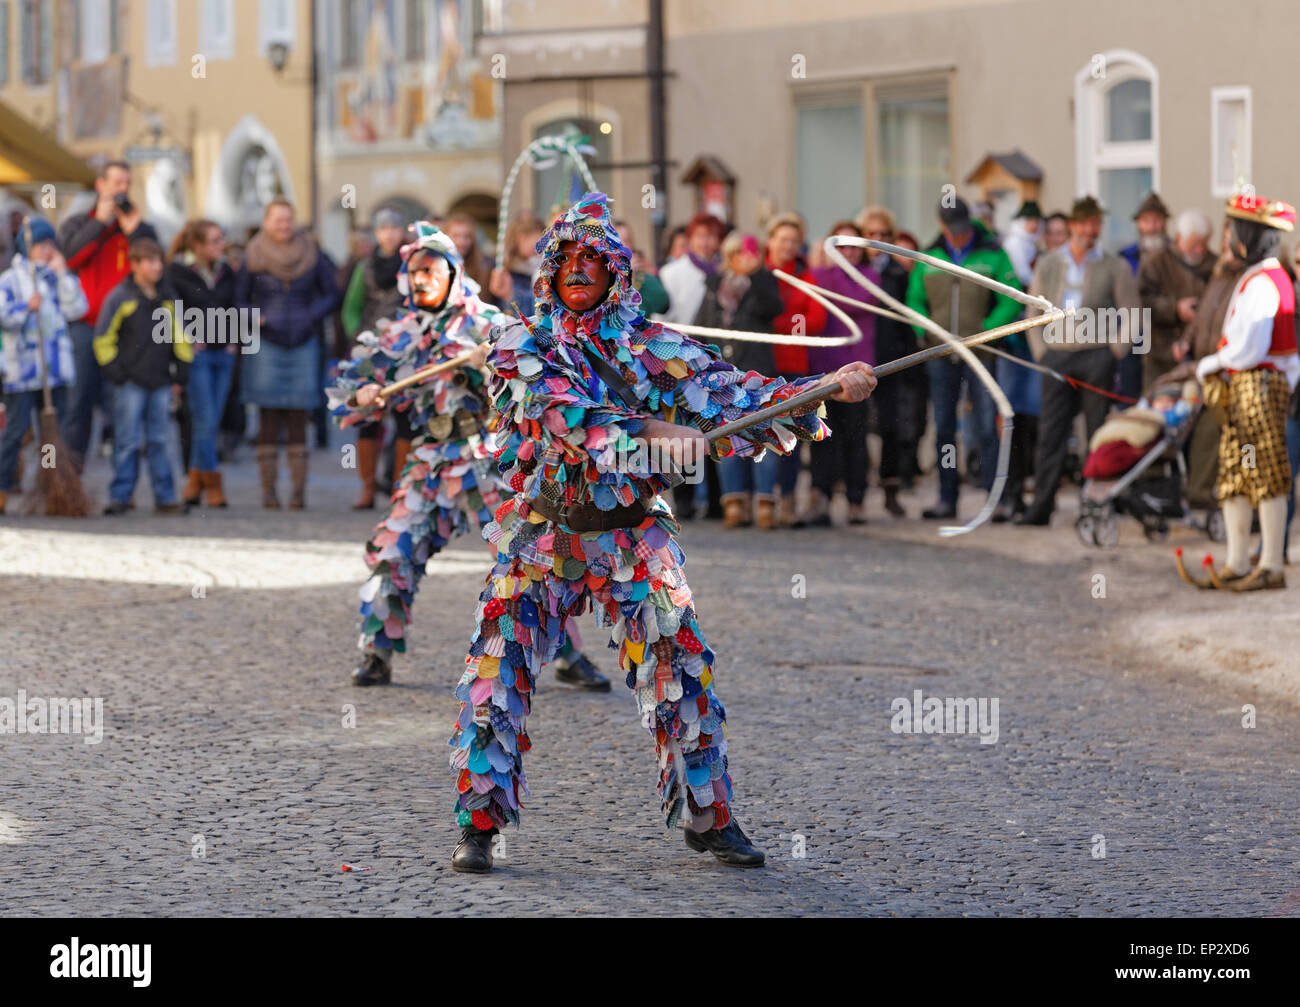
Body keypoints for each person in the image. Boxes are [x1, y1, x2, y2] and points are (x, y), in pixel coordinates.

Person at [446, 193, 877, 873]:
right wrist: (653, 432)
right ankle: (480, 823)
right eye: (568, 259)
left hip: (635, 533)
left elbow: (737, 396)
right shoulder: (522, 345)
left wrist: (825, 386)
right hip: (545, 529)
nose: (580, 269)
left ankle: (709, 816)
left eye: (594, 258)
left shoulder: (657, 347)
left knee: (683, 666)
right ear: (550, 273)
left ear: (617, 272)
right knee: (496, 668)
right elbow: (569, 418)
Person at [328, 222, 611, 690]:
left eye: (431, 270)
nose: (421, 279)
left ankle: (569, 655)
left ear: (453, 273)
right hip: (431, 460)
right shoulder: (398, 332)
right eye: (414, 271)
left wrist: (496, 363)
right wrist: (362, 395)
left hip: (487, 459)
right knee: (392, 551)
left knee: (526, 555)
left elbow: (536, 379)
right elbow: (344, 391)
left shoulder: (487, 324)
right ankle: (376, 652)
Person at [1186, 194, 1299, 591]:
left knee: (1265, 472)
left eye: (1236, 229)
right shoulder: (1262, 276)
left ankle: (1270, 564)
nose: (1230, 237)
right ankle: (1236, 560)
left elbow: (1251, 345)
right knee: (1237, 471)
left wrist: (1209, 365)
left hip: (1258, 386)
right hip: (1250, 385)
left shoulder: (1266, 281)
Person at [1018, 195, 1140, 526]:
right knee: (1051, 432)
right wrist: (1041, 351)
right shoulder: (1049, 263)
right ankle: (1042, 504)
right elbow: (1032, 310)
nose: (1091, 230)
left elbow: (1131, 313)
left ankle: (1096, 504)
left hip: (1096, 356)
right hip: (1057, 355)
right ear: (1073, 226)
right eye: (1086, 223)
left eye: (1096, 224)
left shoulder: (1113, 265)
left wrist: (1115, 351)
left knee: (1096, 433)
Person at [906, 196, 1021, 521]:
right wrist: (927, 329)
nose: (958, 235)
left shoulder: (994, 255)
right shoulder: (927, 257)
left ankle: (994, 499)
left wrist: (987, 329)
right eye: (951, 229)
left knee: (987, 426)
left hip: (981, 353)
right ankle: (947, 497)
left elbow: (1011, 298)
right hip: (940, 354)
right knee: (944, 428)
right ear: (942, 225)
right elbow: (913, 301)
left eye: (962, 228)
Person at [235, 198, 340, 510]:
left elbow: (332, 293)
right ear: (267, 222)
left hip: (303, 340)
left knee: (298, 415)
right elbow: (238, 300)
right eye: (278, 220)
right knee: (267, 415)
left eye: (288, 220)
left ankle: (298, 493)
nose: (283, 226)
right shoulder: (252, 254)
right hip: (266, 341)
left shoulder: (312, 252)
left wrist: (311, 314)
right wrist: (257, 316)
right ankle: (268, 492)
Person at [58, 161, 159, 470]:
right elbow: (70, 259)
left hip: (126, 333)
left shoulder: (139, 229)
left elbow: (154, 269)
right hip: (84, 327)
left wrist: (135, 232)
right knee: (78, 405)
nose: (122, 190)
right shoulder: (78, 223)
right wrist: (99, 223)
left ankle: (122, 488)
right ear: (101, 185)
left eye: (127, 184)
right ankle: (69, 480)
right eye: (117, 183)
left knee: (122, 409)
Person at [693, 231, 784, 528]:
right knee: (727, 437)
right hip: (724, 376)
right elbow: (701, 328)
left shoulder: (763, 282)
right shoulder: (714, 286)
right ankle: (733, 502)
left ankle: (765, 502)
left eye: (749, 255)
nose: (743, 261)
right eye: (738, 255)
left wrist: (757, 274)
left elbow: (773, 308)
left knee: (763, 434)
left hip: (758, 373)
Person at [93, 237, 191, 515]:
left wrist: (183, 367)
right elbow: (103, 338)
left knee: (161, 440)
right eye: (150, 261)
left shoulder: (168, 298)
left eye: (159, 260)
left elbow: (180, 335)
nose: (157, 267)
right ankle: (121, 495)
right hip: (129, 383)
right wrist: (114, 371)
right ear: (134, 264)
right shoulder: (120, 297)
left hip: (160, 380)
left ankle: (166, 497)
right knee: (127, 440)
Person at [0, 218, 88, 514]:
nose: (48, 250)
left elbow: (78, 308)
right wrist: (26, 308)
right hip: (22, 372)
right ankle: (2, 485)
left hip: (54, 372)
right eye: (41, 245)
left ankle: (52, 485)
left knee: (52, 433)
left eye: (51, 245)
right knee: (16, 430)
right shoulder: (11, 280)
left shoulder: (55, 279)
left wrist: (63, 275)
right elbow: (3, 316)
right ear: (28, 247)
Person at [808, 220, 878, 525]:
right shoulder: (819, 275)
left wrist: (833, 270)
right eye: (841, 247)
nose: (848, 253)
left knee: (855, 437)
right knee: (822, 435)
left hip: (857, 369)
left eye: (853, 247)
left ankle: (856, 500)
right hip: (823, 368)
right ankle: (821, 496)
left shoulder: (870, 277)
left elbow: (859, 300)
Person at [339, 208, 410, 508]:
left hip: (405, 348)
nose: (389, 234)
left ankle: (399, 488)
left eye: (394, 228)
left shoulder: (411, 263)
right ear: (377, 233)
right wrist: (358, 335)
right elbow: (351, 307)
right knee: (366, 417)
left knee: (405, 417)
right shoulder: (365, 266)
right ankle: (367, 488)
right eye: (383, 229)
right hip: (369, 350)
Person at [165, 219, 237, 509]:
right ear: (198, 245)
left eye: (222, 239)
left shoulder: (225, 271)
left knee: (211, 420)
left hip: (224, 353)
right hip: (198, 354)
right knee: (205, 418)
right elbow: (173, 311)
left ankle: (195, 480)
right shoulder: (177, 271)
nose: (222, 245)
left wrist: (234, 340)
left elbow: (233, 305)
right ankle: (214, 481)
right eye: (215, 240)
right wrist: (188, 340)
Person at [764, 211, 828, 525]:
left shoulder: (806, 276)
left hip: (792, 366)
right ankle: (758, 500)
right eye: (783, 239)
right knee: (755, 432)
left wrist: (783, 326)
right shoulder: (758, 271)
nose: (788, 245)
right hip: (758, 364)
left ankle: (787, 500)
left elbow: (817, 318)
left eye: (794, 240)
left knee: (788, 435)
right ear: (771, 240)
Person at [1179, 217, 1247, 511]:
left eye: (1230, 240)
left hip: (1228, 371)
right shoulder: (1219, 275)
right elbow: (1202, 317)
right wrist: (1185, 340)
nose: (1224, 246)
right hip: (1205, 365)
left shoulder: (1247, 278)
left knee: (1215, 432)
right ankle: (1196, 490)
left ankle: (1208, 494)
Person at [855, 207, 915, 516]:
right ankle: (856, 492)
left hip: (890, 359)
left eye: (883, 235)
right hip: (856, 359)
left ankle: (891, 487)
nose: (877, 240)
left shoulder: (898, 273)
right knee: (858, 426)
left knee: (891, 426)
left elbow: (906, 318)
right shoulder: (853, 269)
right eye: (871, 234)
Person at [1138, 208, 1213, 391]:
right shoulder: (1156, 262)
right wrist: (1175, 309)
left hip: (1199, 355)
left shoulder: (1214, 264)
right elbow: (1141, 302)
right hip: (1160, 353)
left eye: (1204, 243)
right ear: (1179, 238)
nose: (1200, 249)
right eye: (1194, 244)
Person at [657, 212, 724, 328]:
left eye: (710, 236)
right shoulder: (670, 273)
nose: (704, 243)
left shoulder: (724, 272)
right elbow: (661, 318)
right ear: (690, 239)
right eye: (699, 236)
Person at [487, 210, 546, 318]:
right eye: (532, 238)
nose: (538, 246)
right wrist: (509, 295)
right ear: (519, 238)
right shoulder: (502, 268)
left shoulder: (542, 267)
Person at [613, 218, 670, 317]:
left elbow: (663, 304)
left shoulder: (640, 275)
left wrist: (651, 273)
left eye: (627, 241)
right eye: (618, 242)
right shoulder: (601, 277)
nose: (624, 247)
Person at [444, 212, 493, 298]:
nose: (461, 242)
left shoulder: (483, 268)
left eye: (467, 237)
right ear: (445, 236)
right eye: (456, 236)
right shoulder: (435, 263)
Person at [1121, 192, 1171, 274]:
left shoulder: (1178, 254)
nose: (1151, 227)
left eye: (1157, 220)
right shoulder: (1127, 256)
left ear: (1165, 222)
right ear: (1138, 223)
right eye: (1146, 221)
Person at [1002, 200, 1043, 288]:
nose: (1034, 225)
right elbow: (1023, 274)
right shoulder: (1015, 242)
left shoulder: (1030, 241)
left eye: (1036, 221)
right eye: (1030, 221)